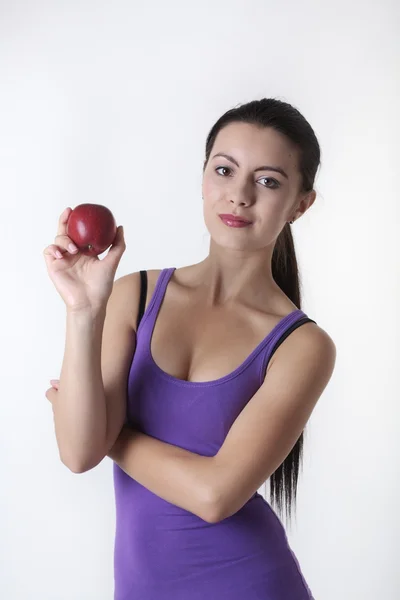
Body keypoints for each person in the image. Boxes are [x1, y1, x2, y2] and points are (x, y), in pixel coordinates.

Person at [44, 97, 336, 599]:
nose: (239, 195)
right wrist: (84, 312)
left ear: (300, 204)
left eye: (268, 181)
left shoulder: (301, 345)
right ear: (204, 178)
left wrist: (114, 438)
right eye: (225, 170)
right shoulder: (132, 295)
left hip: (251, 585)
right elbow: (76, 453)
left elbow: (215, 495)